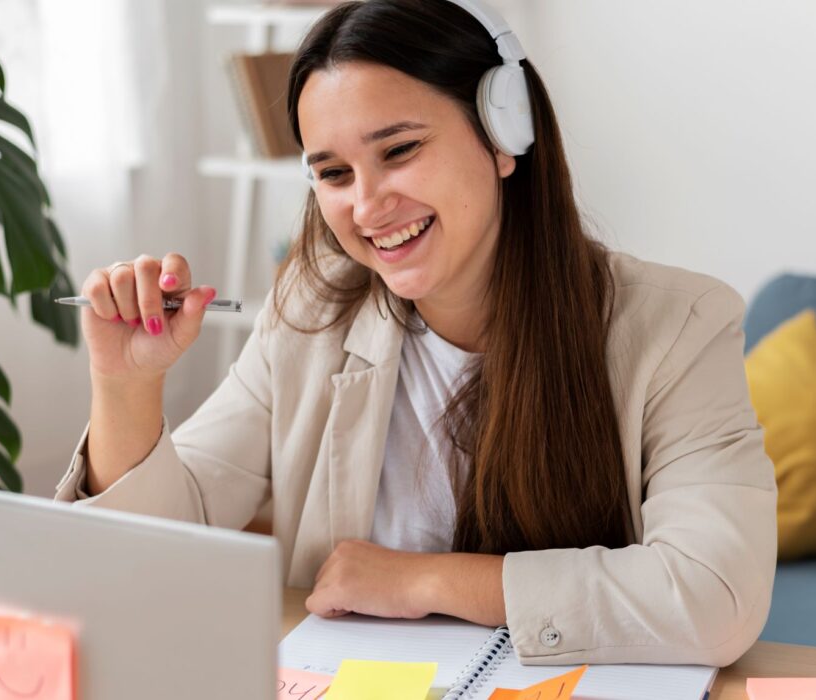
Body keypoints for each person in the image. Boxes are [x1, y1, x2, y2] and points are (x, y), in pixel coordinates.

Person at [55, 0, 777, 667]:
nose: (367, 205)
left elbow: (714, 598)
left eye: (398, 150)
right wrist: (125, 386)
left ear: (504, 135)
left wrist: (426, 581)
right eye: (333, 172)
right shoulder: (308, 317)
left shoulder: (680, 327)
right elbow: (156, 551)